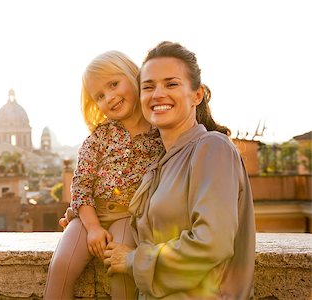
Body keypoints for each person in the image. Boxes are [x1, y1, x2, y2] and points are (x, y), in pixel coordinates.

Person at [103, 41, 256, 299]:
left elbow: (211, 243)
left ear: (197, 94)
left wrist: (133, 261)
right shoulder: (159, 165)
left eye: (171, 84)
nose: (158, 94)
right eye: (148, 87)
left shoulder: (212, 148)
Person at [43, 50, 162, 299]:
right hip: (89, 217)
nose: (110, 97)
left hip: (129, 219)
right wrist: (93, 227)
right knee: (61, 265)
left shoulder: (160, 135)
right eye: (100, 95)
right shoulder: (99, 137)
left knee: (122, 272)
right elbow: (81, 185)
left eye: (113, 84)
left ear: (134, 76)